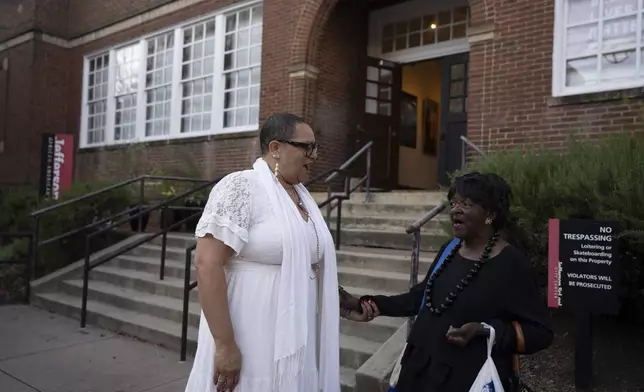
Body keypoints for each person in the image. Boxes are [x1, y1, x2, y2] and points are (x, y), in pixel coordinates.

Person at [343, 172, 554, 391]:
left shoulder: (511, 263)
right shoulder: (450, 249)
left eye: (467, 204)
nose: (455, 209)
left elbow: (540, 332)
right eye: (453, 203)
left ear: (490, 213)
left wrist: (486, 330)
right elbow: (420, 297)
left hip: (466, 380)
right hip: (418, 372)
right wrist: (367, 304)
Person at [184, 113, 340, 392]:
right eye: (308, 147)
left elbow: (306, 263)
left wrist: (344, 301)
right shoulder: (242, 186)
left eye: (316, 148)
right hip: (250, 331)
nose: (314, 156)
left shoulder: (301, 197)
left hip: (296, 333)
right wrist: (225, 344)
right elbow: (206, 263)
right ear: (276, 148)